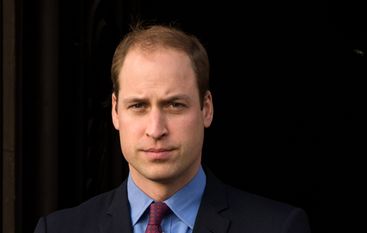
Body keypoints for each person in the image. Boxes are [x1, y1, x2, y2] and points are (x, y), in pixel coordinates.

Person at [34, 22, 311, 233]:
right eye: (138, 106)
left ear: (207, 109)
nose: (156, 130)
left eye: (175, 105)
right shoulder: (59, 229)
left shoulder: (278, 227)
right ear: (116, 112)